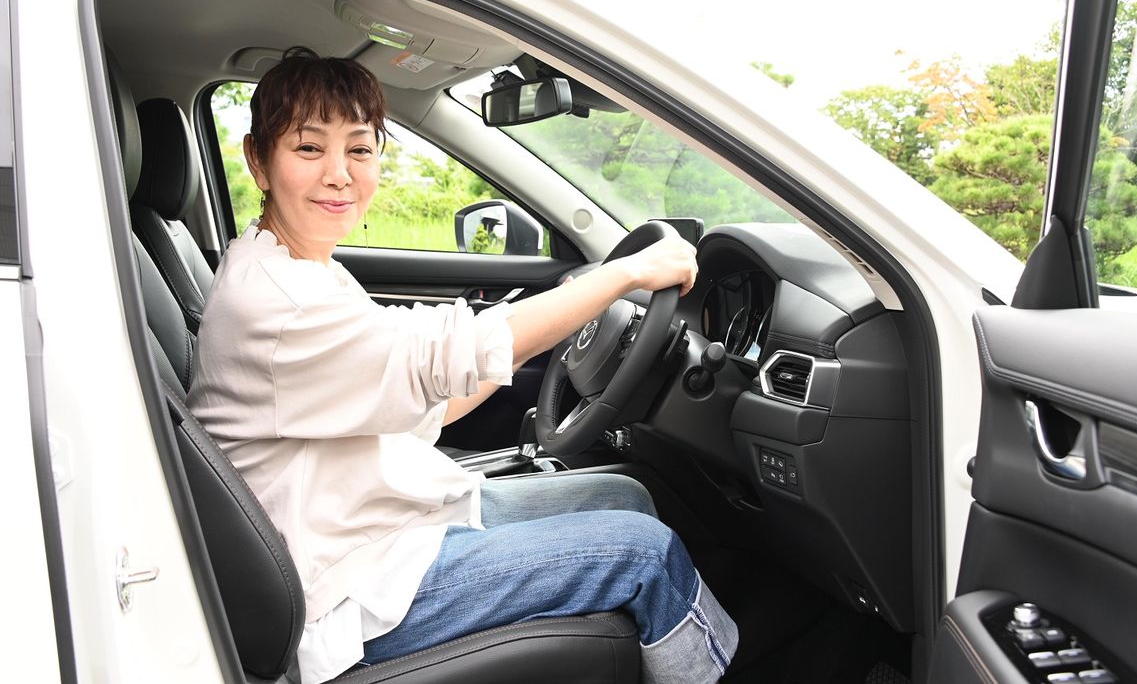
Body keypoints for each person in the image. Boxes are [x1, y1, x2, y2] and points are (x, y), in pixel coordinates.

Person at [186, 47, 738, 684]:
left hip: (368, 526)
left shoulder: (291, 264)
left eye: (359, 150)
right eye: (309, 149)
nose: (339, 174)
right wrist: (624, 275)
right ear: (259, 160)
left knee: (627, 495)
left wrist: (524, 338)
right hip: (346, 588)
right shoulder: (278, 304)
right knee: (645, 553)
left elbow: (426, 394)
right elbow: (445, 355)